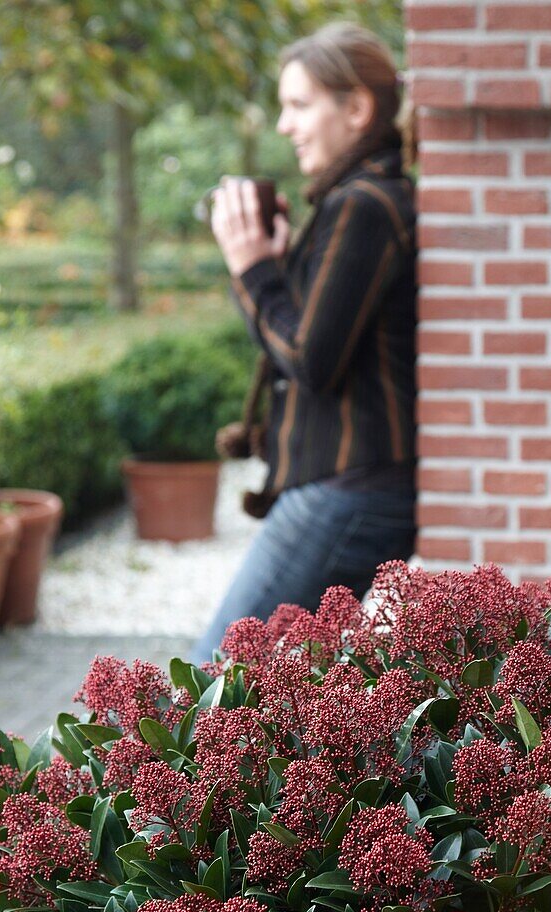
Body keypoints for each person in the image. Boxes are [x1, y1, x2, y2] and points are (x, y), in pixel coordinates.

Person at [191, 21, 417, 665]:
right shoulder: (365, 197)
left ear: (356, 107)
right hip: (351, 484)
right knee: (285, 694)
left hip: (347, 489)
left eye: (298, 105)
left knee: (214, 680)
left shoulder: (364, 205)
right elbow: (303, 338)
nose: (285, 125)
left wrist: (252, 269)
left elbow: (311, 362)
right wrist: (273, 269)